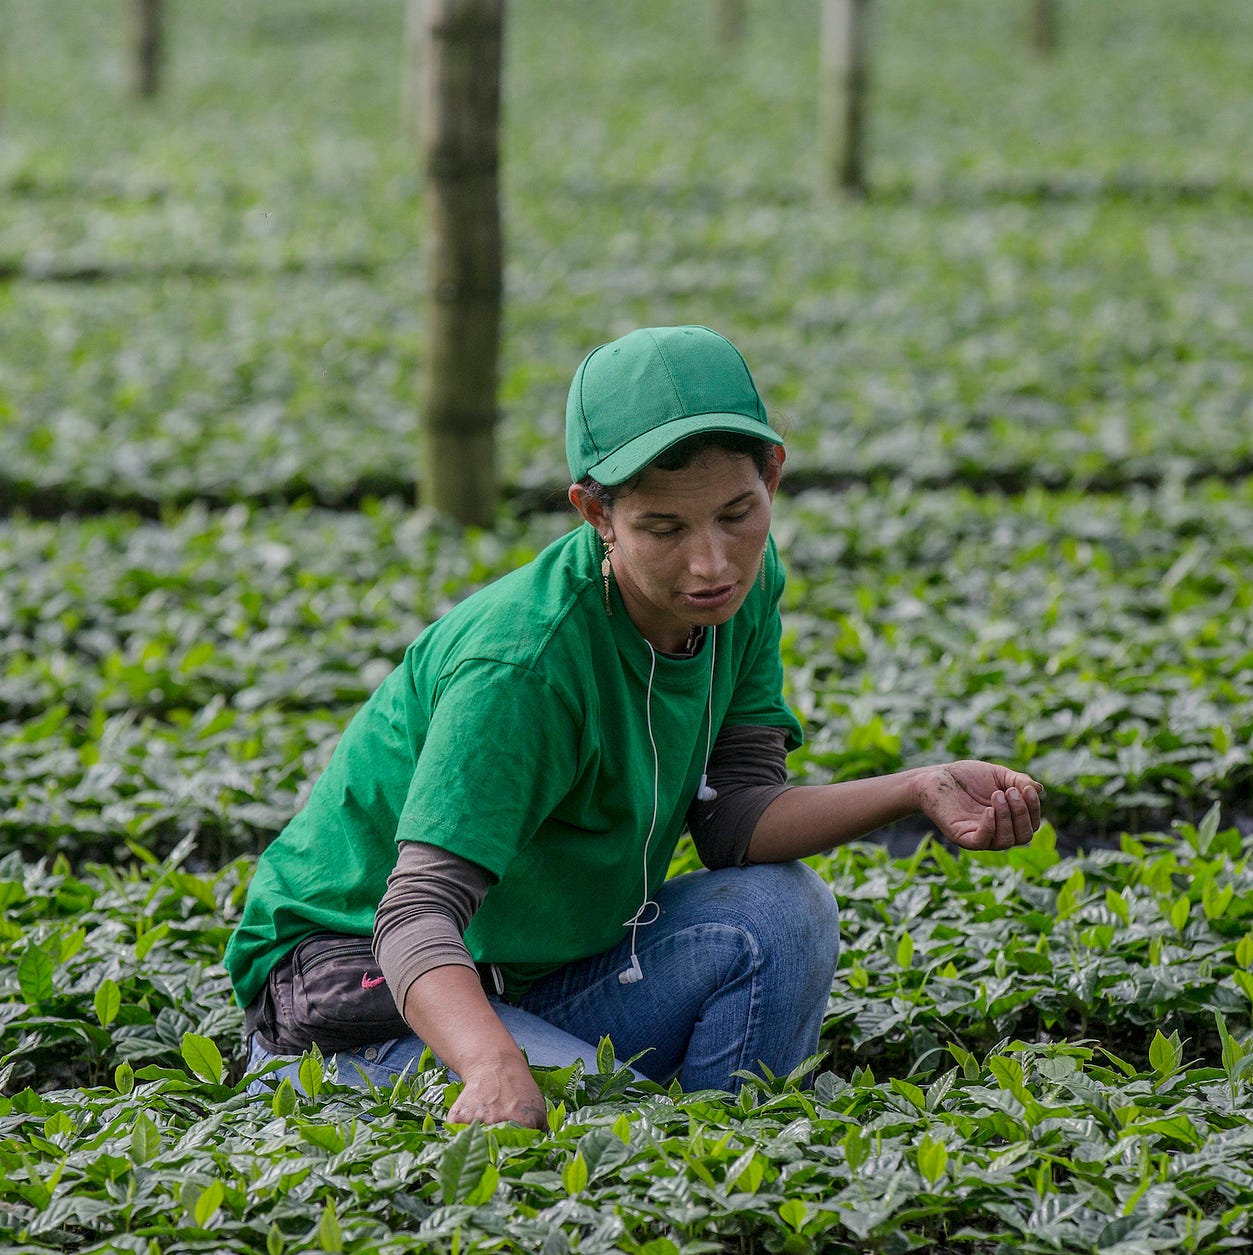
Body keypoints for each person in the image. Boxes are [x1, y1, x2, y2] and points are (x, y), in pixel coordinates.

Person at [223, 325, 1044, 1128]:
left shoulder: (739, 594)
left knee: (785, 911)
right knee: (616, 1135)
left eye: (736, 514)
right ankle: (643, 1140)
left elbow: (734, 818)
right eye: (664, 529)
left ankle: (727, 1178)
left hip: (528, 973)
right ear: (595, 513)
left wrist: (915, 788)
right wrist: (493, 1065)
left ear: (774, 479)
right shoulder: (524, 665)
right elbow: (412, 917)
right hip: (361, 1002)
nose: (711, 563)